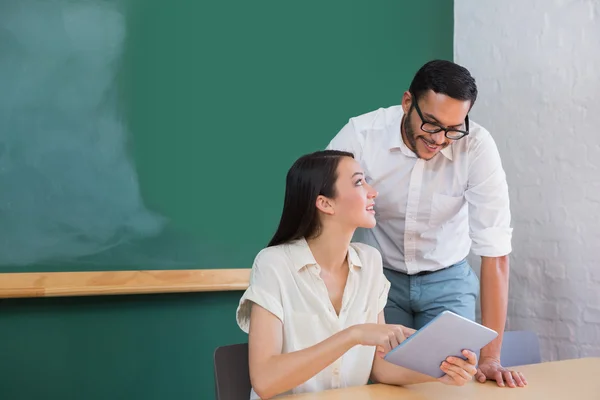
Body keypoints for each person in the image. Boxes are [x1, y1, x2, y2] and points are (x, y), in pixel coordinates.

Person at [326, 59, 526, 388]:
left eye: (453, 129)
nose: (440, 139)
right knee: (382, 381)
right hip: (381, 280)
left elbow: (496, 253)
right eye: (431, 124)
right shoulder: (362, 135)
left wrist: (491, 358)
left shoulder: (475, 147)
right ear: (408, 102)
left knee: (450, 381)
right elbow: (324, 206)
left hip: (448, 279)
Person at [236, 150, 478, 399]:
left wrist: (441, 371)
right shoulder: (274, 264)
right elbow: (264, 381)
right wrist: (353, 335)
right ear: (325, 203)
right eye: (359, 182)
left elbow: (380, 367)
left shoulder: (369, 261)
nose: (373, 192)